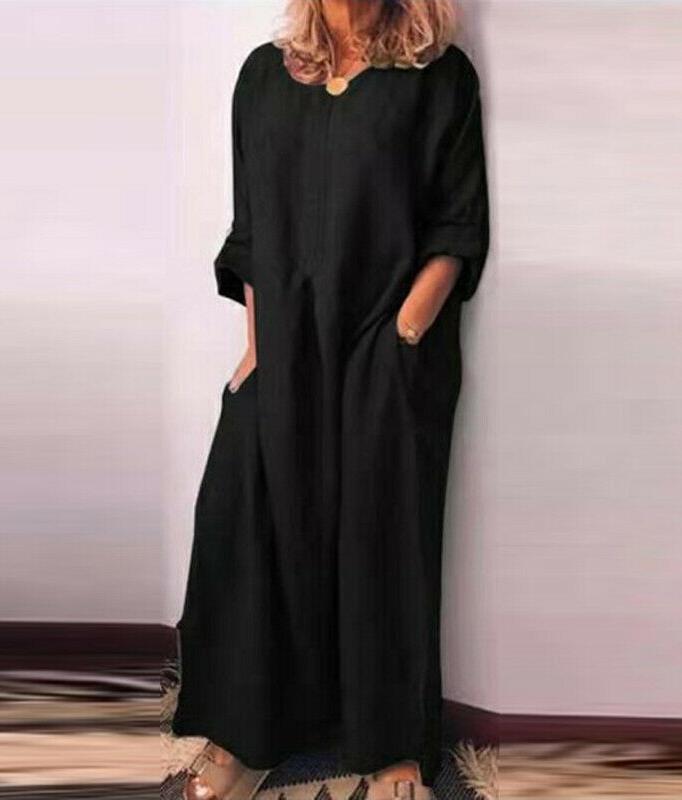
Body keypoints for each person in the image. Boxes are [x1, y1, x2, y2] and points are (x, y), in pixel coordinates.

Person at [171, 1, 490, 798]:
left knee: (385, 533)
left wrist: (405, 334)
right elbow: (250, 232)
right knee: (248, 515)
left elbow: (456, 225)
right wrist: (257, 350)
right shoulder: (263, 78)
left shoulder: (438, 78)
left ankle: (394, 747)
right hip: (284, 345)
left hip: (388, 347)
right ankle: (246, 731)